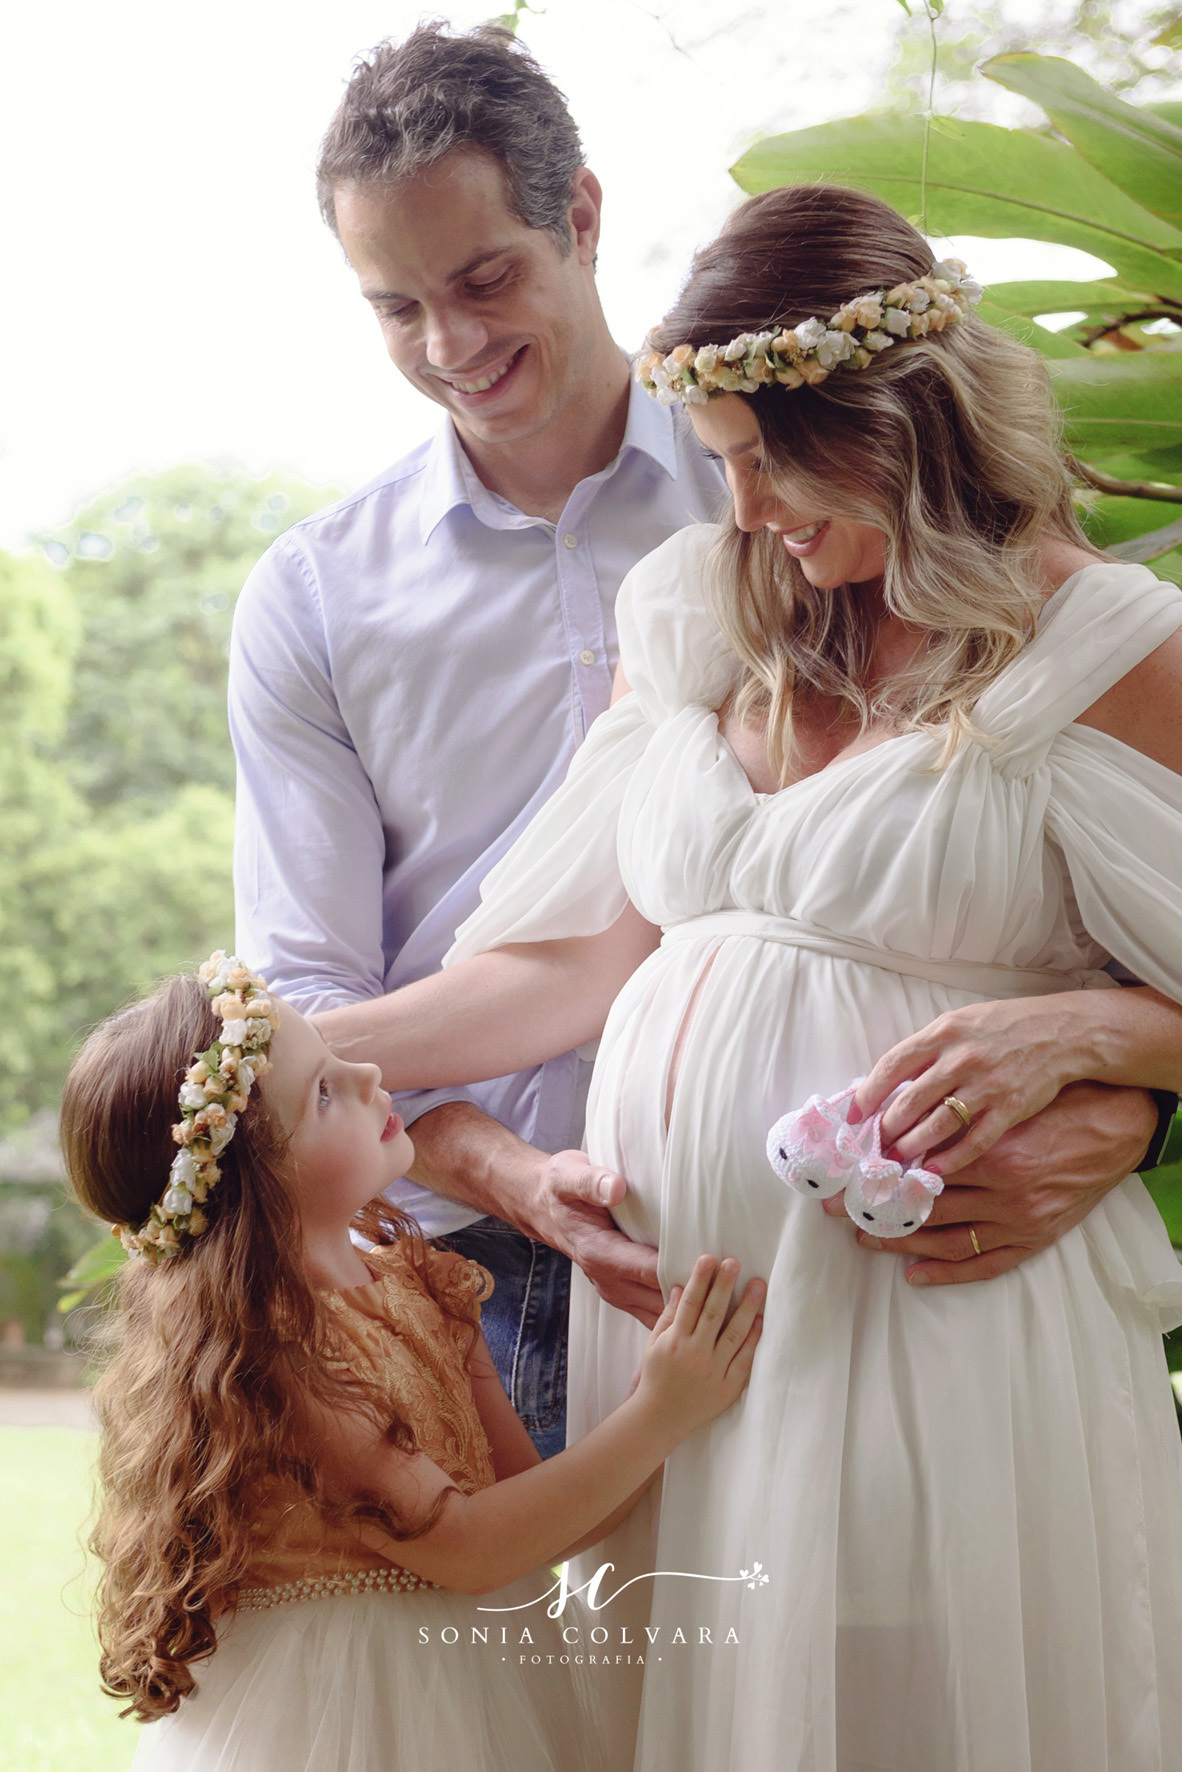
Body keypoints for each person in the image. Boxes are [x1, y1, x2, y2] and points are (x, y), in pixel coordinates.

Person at [310, 186, 1182, 1770]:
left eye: (774, 458)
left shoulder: (1107, 646)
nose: (747, 506)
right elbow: (574, 958)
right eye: (717, 463)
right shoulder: (700, 611)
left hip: (931, 1307)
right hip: (672, 1322)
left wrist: (1101, 1031)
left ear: (906, 420)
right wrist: (270, 1054)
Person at [231, 21, 1171, 1463]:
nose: (453, 344)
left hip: (906, 1292)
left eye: (484, 278)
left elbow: (1091, 917)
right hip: (523, 1262)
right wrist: (239, 1058)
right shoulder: (644, 599)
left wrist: (1119, 1073)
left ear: (581, 216)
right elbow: (568, 955)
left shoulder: (940, 561)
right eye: (396, 307)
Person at [61, 951, 763, 1772]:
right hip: (351, 1717)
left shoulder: (421, 1283)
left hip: (487, 1686)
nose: (366, 1074)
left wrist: (665, 1393)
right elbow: (467, 1547)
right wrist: (660, 1412)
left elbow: (529, 1513)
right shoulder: (279, 1356)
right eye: (324, 1091)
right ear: (255, 1185)